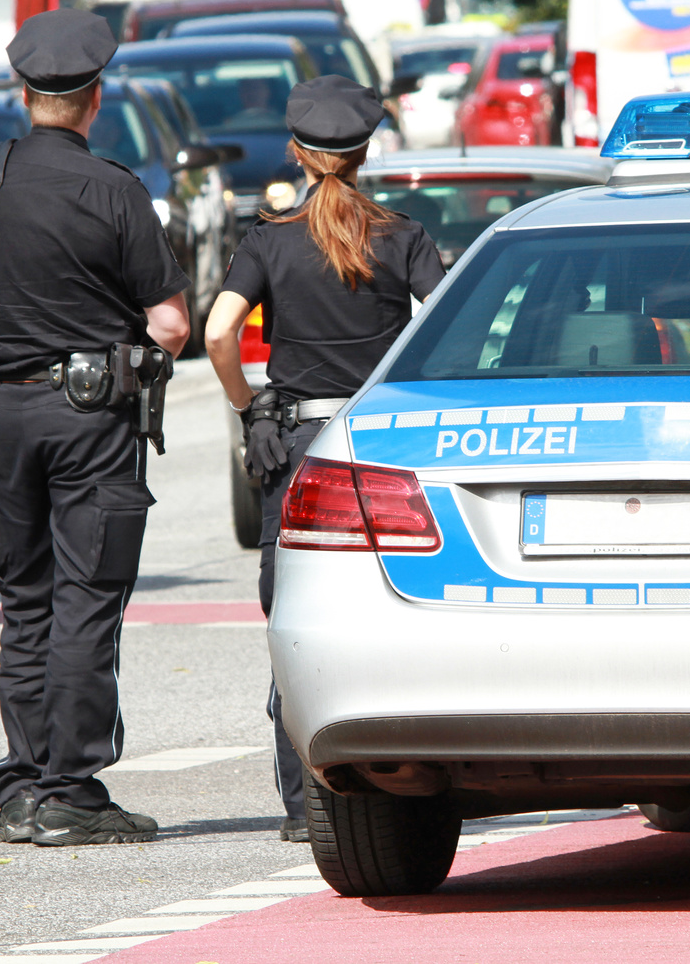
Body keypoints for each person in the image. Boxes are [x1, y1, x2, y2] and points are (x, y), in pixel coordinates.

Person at [0, 9, 192, 846]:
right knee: (87, 592)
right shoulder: (113, 189)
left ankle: (22, 783)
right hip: (87, 412)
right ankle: (71, 789)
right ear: (94, 99)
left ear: (22, 94)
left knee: (26, 596)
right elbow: (170, 325)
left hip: (3, 412)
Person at [204, 75, 446, 841]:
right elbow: (444, 324)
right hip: (378, 447)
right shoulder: (402, 235)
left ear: (297, 153)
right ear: (367, 151)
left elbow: (216, 332)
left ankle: (303, 804)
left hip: (301, 447)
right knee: (397, 613)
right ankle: (408, 788)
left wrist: (249, 408)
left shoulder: (270, 238)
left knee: (296, 619)